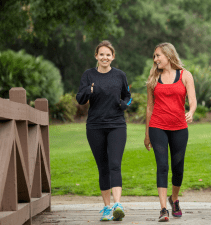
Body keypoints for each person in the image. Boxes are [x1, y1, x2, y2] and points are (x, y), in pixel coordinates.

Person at [76, 40, 132, 221]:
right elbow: (80, 99)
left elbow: (128, 96)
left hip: (116, 125)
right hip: (95, 126)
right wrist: (89, 90)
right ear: (96, 56)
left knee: (115, 164)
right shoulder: (88, 75)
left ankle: (117, 205)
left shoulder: (120, 75)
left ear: (113, 57)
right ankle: (107, 208)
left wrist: (124, 104)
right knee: (103, 168)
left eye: (108, 54)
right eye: (101, 54)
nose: (105, 57)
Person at [144, 43, 197, 222]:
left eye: (158, 55)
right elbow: (149, 107)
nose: (155, 59)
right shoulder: (153, 76)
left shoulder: (185, 75)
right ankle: (163, 209)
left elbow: (193, 100)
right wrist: (146, 134)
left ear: (168, 55)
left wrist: (191, 112)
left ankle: (174, 200)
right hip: (157, 126)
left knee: (178, 167)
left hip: (179, 127)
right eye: (154, 56)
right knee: (162, 166)